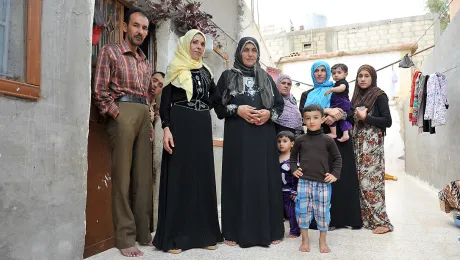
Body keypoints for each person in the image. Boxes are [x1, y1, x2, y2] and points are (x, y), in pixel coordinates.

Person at [153, 29, 223, 254]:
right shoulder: (175, 68)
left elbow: (215, 98)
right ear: (186, 44)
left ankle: (204, 235)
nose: (199, 47)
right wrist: (166, 128)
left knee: (201, 177)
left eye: (202, 44)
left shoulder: (207, 71)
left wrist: (219, 105)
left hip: (201, 125)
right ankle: (175, 237)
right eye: (195, 42)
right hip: (181, 125)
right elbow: (165, 104)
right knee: (180, 178)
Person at [212, 37, 285, 248]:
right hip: (239, 139)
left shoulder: (267, 78)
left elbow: (279, 106)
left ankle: (269, 230)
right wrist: (238, 110)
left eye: (254, 50)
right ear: (239, 53)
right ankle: (233, 231)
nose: (250, 54)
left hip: (263, 138)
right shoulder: (227, 77)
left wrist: (268, 114)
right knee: (238, 179)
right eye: (246, 50)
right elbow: (218, 108)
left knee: (264, 181)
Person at [93, 8, 153, 257]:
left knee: (143, 178)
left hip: (142, 114)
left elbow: (149, 94)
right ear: (126, 27)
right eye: (136, 26)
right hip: (123, 112)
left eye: (145, 28)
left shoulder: (144, 60)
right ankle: (124, 237)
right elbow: (99, 90)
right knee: (122, 178)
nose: (141, 31)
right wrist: (116, 114)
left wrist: (149, 121)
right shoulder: (111, 51)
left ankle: (142, 232)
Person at [299, 61, 362, 230]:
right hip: (318, 141)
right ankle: (322, 221)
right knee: (321, 179)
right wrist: (326, 111)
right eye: (316, 71)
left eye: (323, 70)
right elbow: (304, 112)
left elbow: (349, 112)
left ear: (327, 73)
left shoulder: (337, 90)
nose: (319, 74)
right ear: (313, 74)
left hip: (339, 139)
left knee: (341, 178)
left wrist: (339, 114)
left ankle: (343, 218)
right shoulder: (307, 94)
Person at [291, 104, 342, 253]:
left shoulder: (328, 140)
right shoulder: (300, 139)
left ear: (323, 119)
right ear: (303, 121)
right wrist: (294, 169)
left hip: (323, 183)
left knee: (323, 212)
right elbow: (293, 157)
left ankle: (322, 240)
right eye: (307, 118)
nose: (311, 121)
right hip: (304, 182)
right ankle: (305, 240)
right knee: (303, 211)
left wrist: (335, 174)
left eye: (315, 118)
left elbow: (337, 158)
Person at [350, 64, 393, 234]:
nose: (362, 79)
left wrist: (366, 117)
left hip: (372, 146)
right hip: (358, 143)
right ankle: (368, 219)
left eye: (366, 75)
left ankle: (383, 222)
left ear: (372, 77)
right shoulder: (355, 97)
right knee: (360, 182)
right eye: (360, 75)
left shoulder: (379, 95)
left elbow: (387, 121)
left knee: (371, 184)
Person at [277, 131, 300, 238]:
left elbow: (297, 177)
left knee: (291, 211)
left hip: (288, 191)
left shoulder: (293, 160)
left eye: (285, 141)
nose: (281, 144)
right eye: (279, 141)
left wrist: (294, 190)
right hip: (276, 190)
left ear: (292, 144)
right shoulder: (275, 157)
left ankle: (294, 231)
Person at [324, 63, 352, 142]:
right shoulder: (337, 83)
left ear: (346, 74)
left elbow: (342, 88)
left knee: (335, 115)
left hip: (341, 102)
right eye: (334, 73)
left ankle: (334, 133)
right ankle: (345, 134)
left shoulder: (343, 82)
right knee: (341, 119)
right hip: (339, 102)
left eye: (339, 72)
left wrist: (331, 90)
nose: (336, 75)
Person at [148, 72, 165, 141]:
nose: (155, 85)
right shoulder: (138, 96)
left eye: (160, 85)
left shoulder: (156, 103)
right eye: (154, 81)